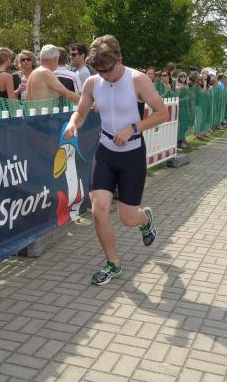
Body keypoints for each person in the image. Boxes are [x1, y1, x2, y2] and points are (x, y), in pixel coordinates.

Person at [63, 34, 168, 285]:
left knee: (127, 218)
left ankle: (144, 219)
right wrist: (73, 124)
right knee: (98, 210)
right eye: (99, 71)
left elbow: (162, 113)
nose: (105, 76)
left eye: (108, 70)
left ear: (119, 59)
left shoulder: (137, 79)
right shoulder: (92, 82)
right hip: (106, 151)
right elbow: (81, 111)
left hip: (132, 154)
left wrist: (133, 128)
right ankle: (113, 263)